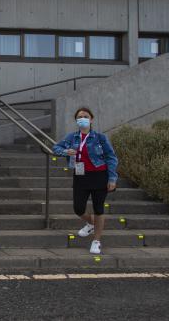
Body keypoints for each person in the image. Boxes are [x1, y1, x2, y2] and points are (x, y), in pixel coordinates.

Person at [52, 107, 118, 255]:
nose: (82, 119)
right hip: (80, 175)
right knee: (78, 208)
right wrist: (65, 151)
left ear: (91, 119)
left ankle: (96, 241)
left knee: (98, 208)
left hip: (100, 176)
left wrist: (112, 178)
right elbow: (55, 147)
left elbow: (111, 157)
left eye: (85, 116)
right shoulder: (72, 137)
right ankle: (91, 222)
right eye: (79, 117)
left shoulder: (100, 137)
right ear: (76, 121)